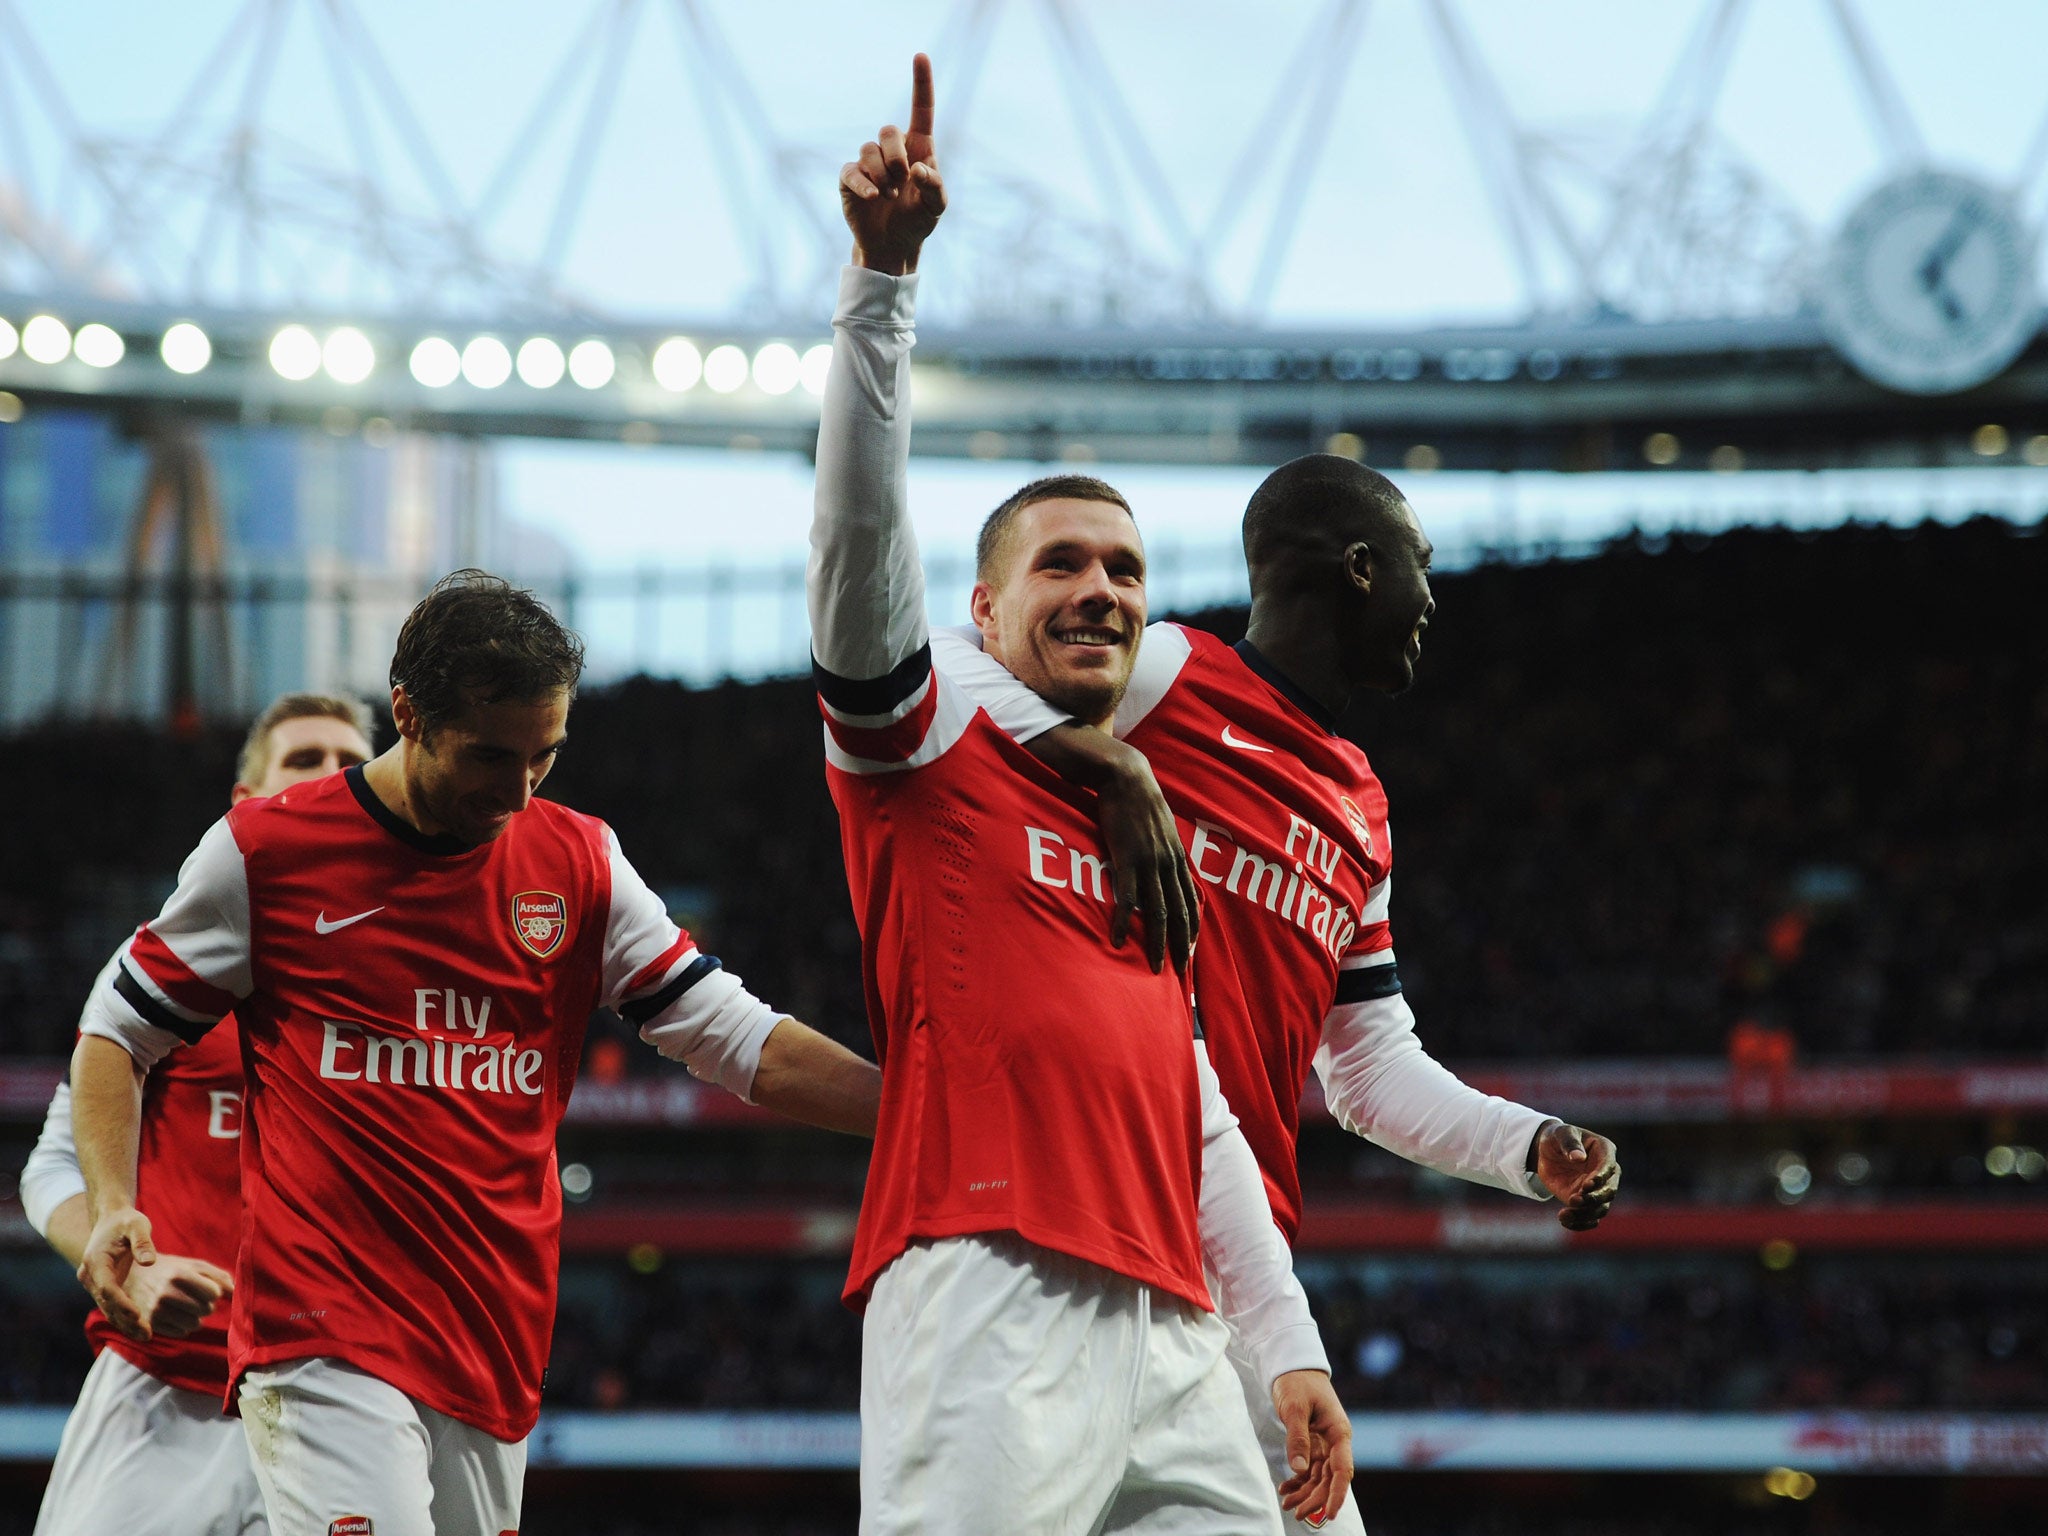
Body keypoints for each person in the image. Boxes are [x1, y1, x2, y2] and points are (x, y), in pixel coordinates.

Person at [817, 57, 1351, 1533]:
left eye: (1124, 570)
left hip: (1177, 1325)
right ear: (979, 616)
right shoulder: (921, 751)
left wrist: (1285, 1346)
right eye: (1059, 564)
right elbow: (862, 545)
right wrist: (882, 287)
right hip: (990, 1280)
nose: (1101, 590)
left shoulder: (1148, 833)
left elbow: (1198, 1113)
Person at [70, 573, 882, 1536]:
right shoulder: (266, 853)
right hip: (319, 1332)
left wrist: (921, 1109)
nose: (517, 790)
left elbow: (736, 1035)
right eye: (490, 755)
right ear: (407, 712)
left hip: (490, 1336)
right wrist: (115, 1210)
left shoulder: (578, 860)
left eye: (545, 756)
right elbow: (115, 1033)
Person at [931, 464, 1626, 1529]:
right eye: (1417, 568)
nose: (1430, 600)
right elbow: (937, 659)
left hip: (1237, 1275)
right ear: (1357, 569)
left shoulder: (1359, 804)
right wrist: (1107, 765)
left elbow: (1366, 1068)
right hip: (1087, 1226)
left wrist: (1523, 1146)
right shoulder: (1165, 674)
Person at [21, 693, 376, 1536]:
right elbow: (51, 1165)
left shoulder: (422, 977)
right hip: (164, 1395)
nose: (328, 778)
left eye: (349, 765)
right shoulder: (166, 967)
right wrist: (120, 1261)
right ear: (243, 805)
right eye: (302, 759)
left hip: (357, 1403)